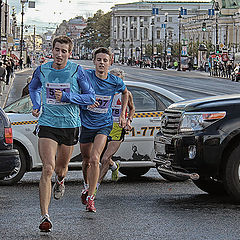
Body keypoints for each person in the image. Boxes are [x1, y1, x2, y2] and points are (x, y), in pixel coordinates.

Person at [29, 35, 95, 232]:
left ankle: (61, 180)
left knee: (60, 169)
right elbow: (33, 87)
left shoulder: (77, 71)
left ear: (69, 53)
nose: (59, 54)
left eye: (63, 51)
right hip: (48, 123)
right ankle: (45, 217)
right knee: (47, 168)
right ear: (52, 50)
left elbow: (90, 97)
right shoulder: (42, 69)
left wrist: (67, 96)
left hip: (69, 125)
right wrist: (36, 104)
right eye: (57, 50)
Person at [80, 47, 128, 213]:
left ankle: (91, 198)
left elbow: (125, 93)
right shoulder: (86, 77)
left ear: (110, 62)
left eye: (105, 60)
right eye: (99, 60)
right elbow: (75, 92)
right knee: (86, 160)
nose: (101, 63)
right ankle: (86, 187)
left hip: (103, 124)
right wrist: (85, 102)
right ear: (94, 61)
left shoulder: (114, 81)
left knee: (95, 158)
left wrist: (122, 115)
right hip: (86, 123)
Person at [97, 68, 135, 187]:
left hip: (118, 127)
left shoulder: (127, 94)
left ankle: (95, 186)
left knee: (105, 159)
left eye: (119, 79)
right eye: (114, 78)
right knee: (99, 157)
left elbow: (132, 108)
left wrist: (128, 120)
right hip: (104, 126)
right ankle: (114, 166)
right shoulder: (105, 91)